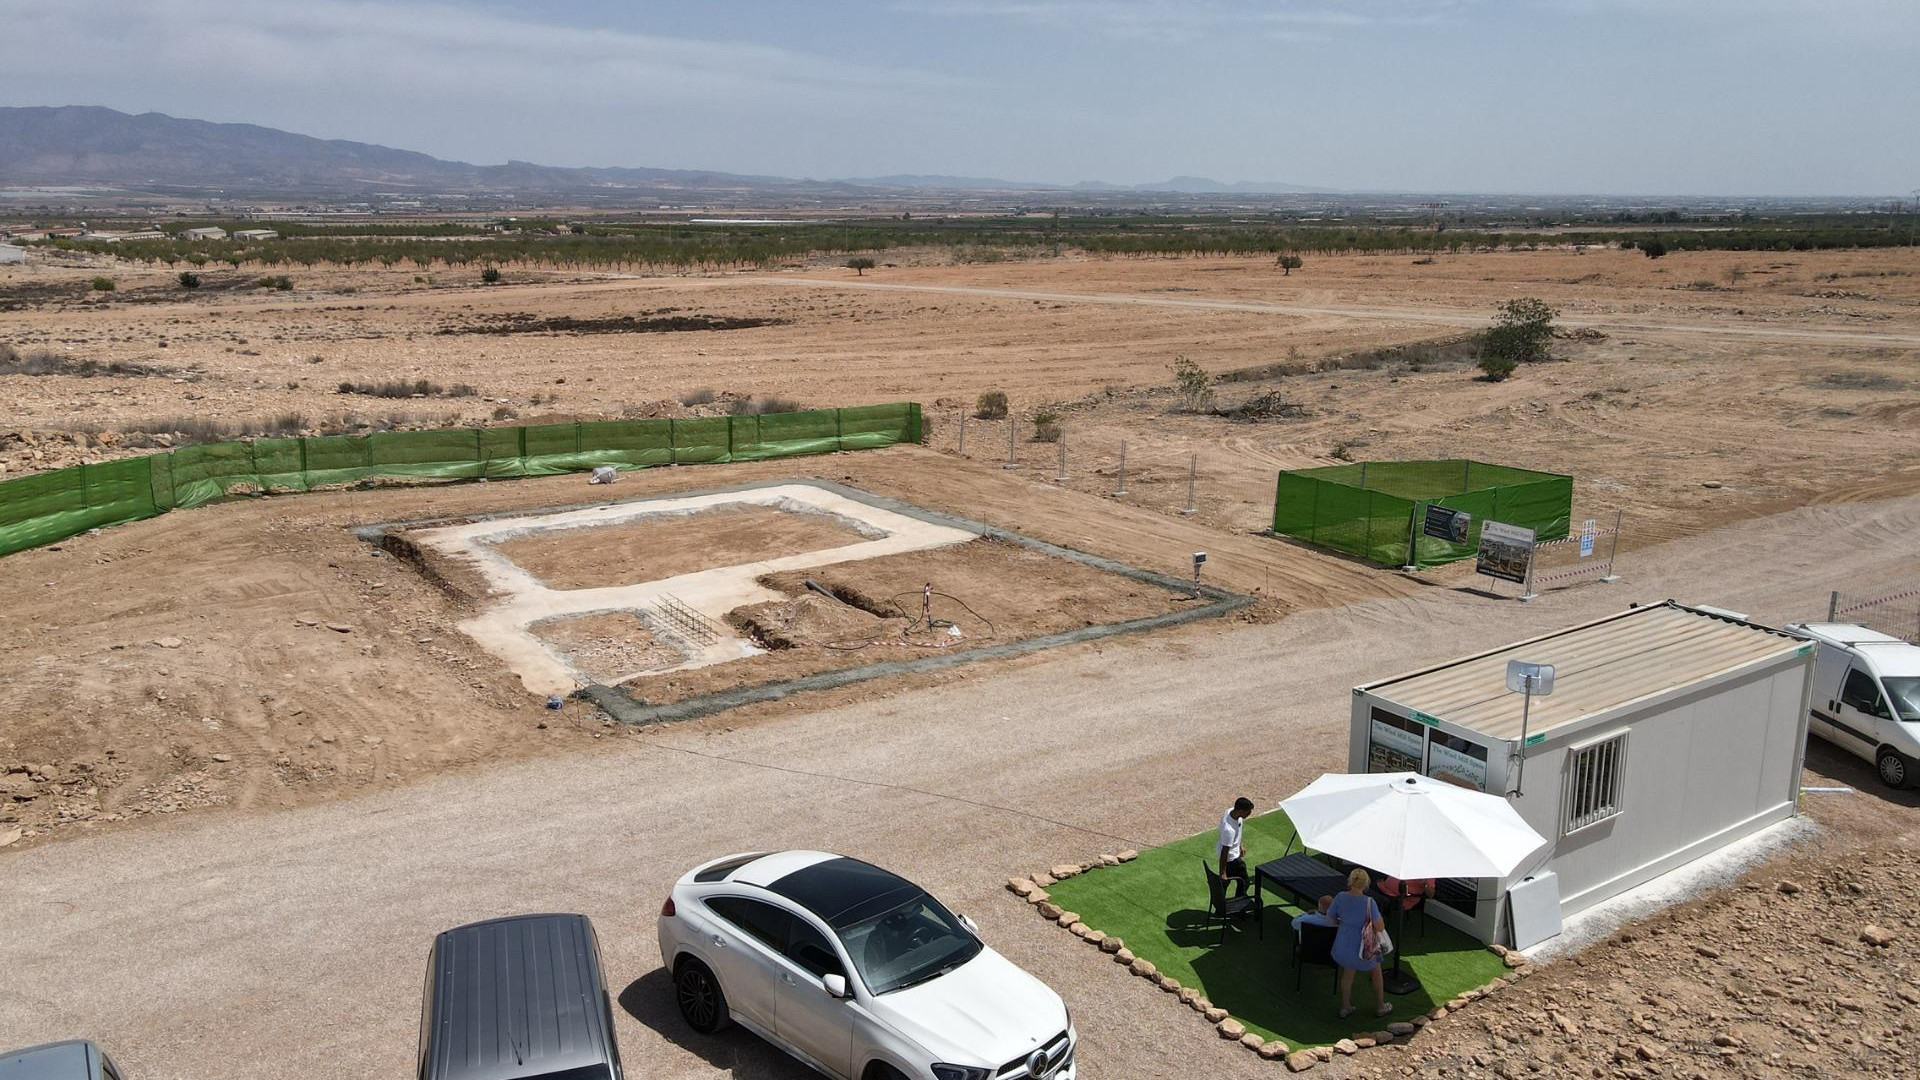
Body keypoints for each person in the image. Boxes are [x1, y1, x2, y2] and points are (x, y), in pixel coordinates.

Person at [1329, 867, 1392, 1019]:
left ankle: (1345, 1007)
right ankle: (1380, 1006)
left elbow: (1330, 918)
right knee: (1376, 973)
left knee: (1347, 974)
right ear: (1366, 884)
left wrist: (1344, 924)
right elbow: (1380, 926)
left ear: (1350, 881)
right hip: (1366, 945)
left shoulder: (1340, 897)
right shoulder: (1369, 902)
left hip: (1344, 943)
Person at [1217, 796, 1254, 899]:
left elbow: (1237, 830)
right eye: (1248, 811)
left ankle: (1220, 908)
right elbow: (1224, 853)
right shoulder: (1228, 830)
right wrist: (1222, 873)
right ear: (1241, 811)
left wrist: (1240, 844)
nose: (1249, 814)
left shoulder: (1230, 812)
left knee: (1224, 884)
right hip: (1232, 860)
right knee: (1245, 882)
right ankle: (1239, 903)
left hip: (1232, 856)